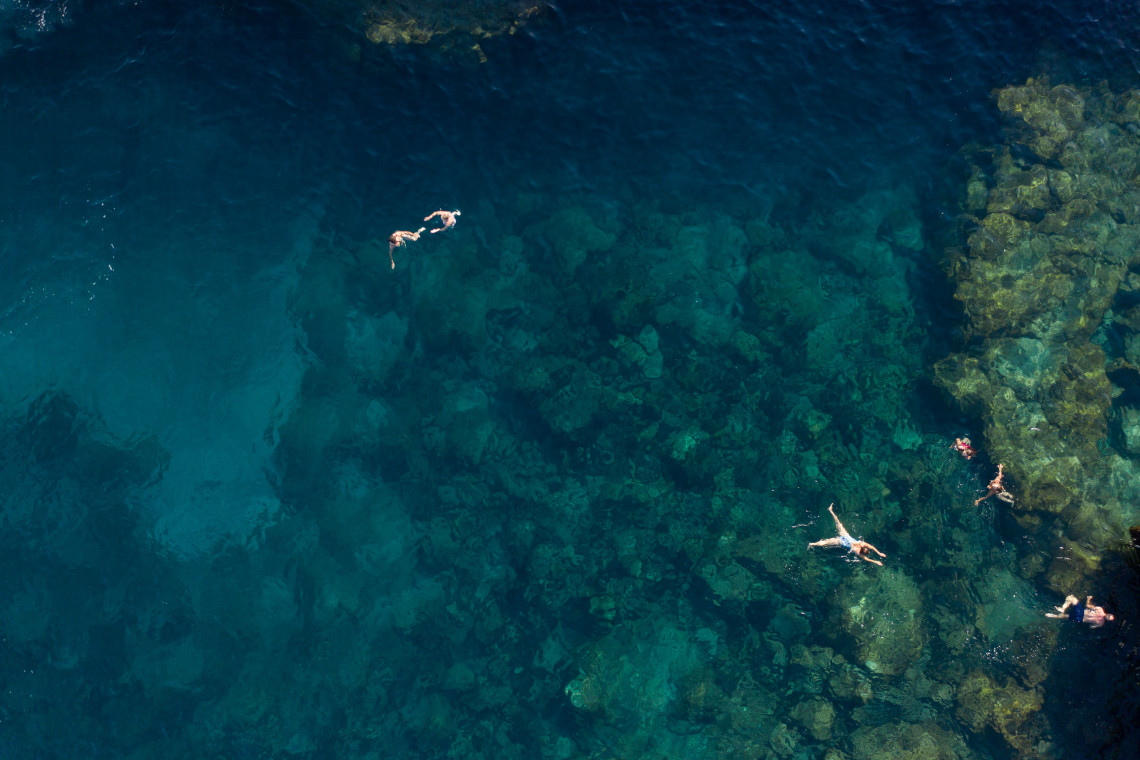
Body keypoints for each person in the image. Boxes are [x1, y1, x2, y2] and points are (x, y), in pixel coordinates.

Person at [807, 503, 887, 566]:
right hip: (841, 541)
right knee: (825, 542)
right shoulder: (858, 553)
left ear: (863, 548)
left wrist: (879, 553)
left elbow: (872, 547)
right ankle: (812, 544)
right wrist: (876, 561)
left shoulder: (861, 543)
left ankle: (830, 510)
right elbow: (866, 559)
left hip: (845, 536)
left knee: (838, 523)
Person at [1046, 595, 1115, 628]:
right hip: (1080, 619)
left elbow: (1088, 605)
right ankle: (1052, 616)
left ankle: (1063, 608)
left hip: (1080, 612)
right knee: (1065, 616)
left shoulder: (1100, 609)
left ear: (1108, 614)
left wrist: (1088, 599)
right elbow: (1091, 627)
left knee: (1071, 598)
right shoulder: (1100, 623)